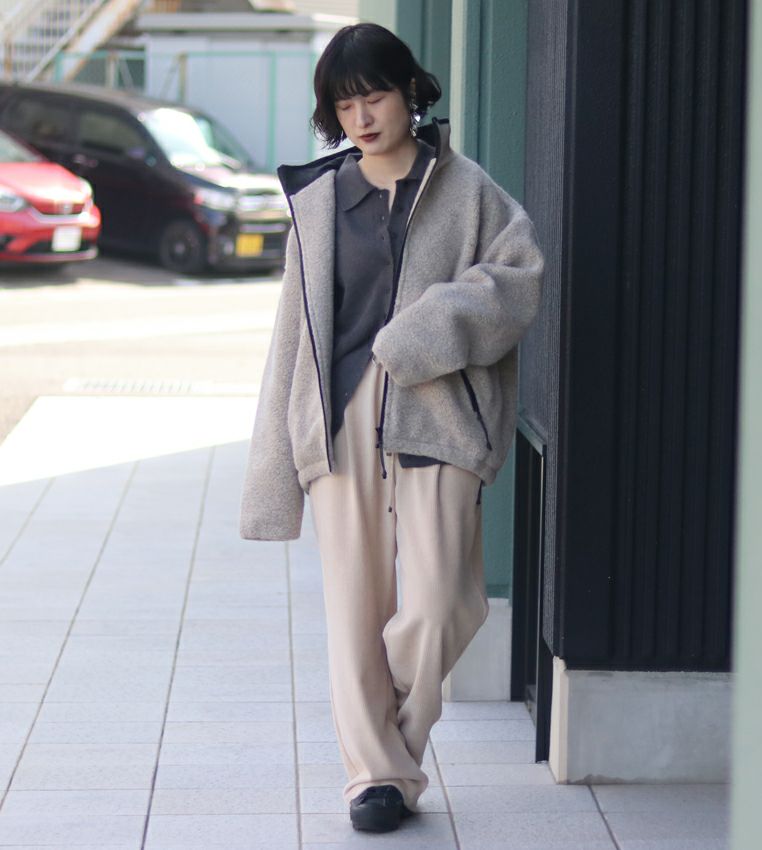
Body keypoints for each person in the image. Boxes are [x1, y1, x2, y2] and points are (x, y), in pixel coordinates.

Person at [239, 22, 545, 834]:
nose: (362, 118)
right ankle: (375, 777)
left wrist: (426, 330)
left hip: (436, 412)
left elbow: (519, 280)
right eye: (345, 106)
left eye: (373, 96)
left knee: (445, 604)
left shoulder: (465, 188)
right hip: (340, 421)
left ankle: (396, 739)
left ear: (410, 91)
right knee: (354, 610)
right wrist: (276, 459)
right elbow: (292, 338)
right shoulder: (317, 202)